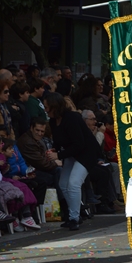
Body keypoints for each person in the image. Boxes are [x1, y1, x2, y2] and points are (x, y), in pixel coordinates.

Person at [44, 92, 104, 230]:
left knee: (74, 183)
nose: (46, 110)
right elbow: (59, 139)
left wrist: (59, 155)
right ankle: (75, 213)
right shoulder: (54, 121)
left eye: (47, 107)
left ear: (54, 106)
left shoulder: (72, 118)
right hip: (72, 152)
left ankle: (74, 217)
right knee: (64, 183)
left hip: (86, 153)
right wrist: (55, 150)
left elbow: (80, 144)